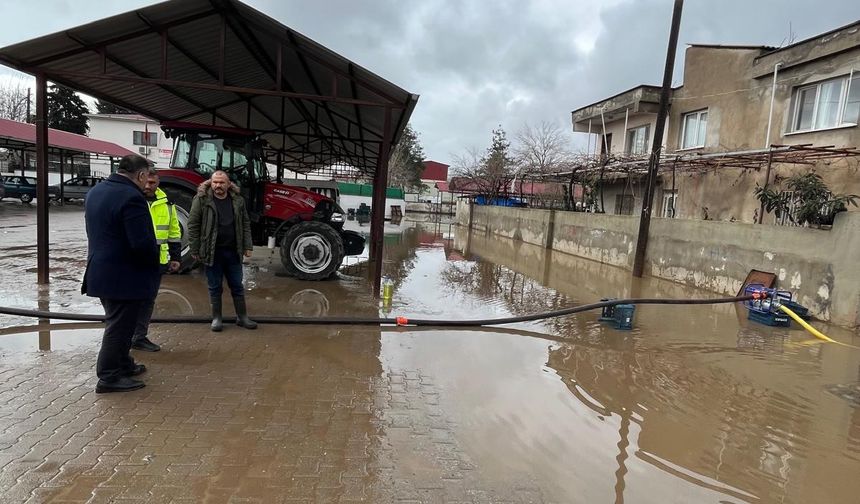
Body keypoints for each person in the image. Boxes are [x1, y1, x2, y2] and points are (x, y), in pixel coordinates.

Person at [82, 154, 160, 393]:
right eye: (146, 177)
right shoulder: (131, 197)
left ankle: (123, 364)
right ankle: (108, 376)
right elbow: (141, 243)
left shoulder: (97, 191)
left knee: (122, 324)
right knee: (118, 326)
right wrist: (153, 265)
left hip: (101, 270)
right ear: (141, 175)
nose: (147, 182)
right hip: (124, 275)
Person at [187, 170, 257, 331]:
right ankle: (217, 318)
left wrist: (247, 246)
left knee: (237, 285)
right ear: (211, 183)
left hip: (233, 251)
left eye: (221, 182)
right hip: (213, 252)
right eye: (215, 182)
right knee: (215, 286)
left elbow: (245, 224)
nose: (218, 185)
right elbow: (193, 224)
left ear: (228, 184)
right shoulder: (202, 199)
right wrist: (195, 248)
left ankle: (242, 317)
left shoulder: (238, 200)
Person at [131, 170, 182, 352]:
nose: (148, 186)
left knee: (148, 300)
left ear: (158, 182)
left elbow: (174, 232)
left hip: (157, 260)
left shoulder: (167, 203)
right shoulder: (131, 200)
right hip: (133, 261)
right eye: (146, 182)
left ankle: (139, 337)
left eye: (152, 182)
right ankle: (125, 337)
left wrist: (176, 257)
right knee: (130, 300)